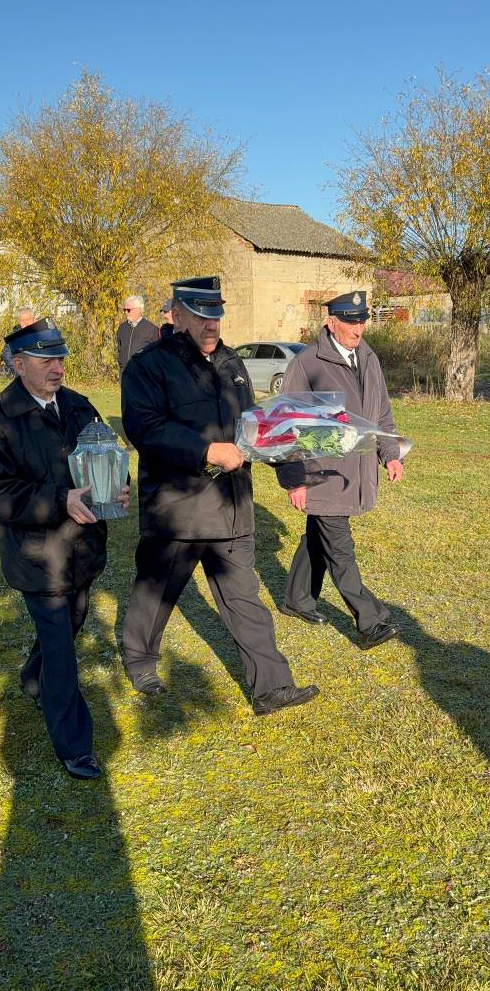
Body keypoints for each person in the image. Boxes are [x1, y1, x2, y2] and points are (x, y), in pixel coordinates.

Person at [121, 276, 319, 716]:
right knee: (156, 593)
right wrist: (206, 450)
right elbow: (144, 428)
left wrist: (293, 474)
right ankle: (139, 660)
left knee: (244, 598)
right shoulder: (148, 366)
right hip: (178, 510)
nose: (212, 325)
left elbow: (255, 428)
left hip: (231, 506)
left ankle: (272, 687)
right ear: (177, 316)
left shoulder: (232, 363)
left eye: (217, 316)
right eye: (201, 317)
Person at [0, 318, 129, 779]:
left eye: (60, 359)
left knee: (73, 621)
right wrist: (61, 500)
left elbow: (108, 457)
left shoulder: (79, 406)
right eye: (45, 361)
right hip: (38, 554)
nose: (57, 368)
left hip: (83, 548)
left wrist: (117, 486)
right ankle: (74, 745)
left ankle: (31, 677)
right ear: (19, 365)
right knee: (61, 648)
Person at [276, 291, 404, 650]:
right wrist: (295, 480)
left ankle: (297, 599)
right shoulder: (307, 363)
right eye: (350, 322)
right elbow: (288, 425)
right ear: (331, 323)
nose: (357, 329)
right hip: (322, 476)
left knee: (319, 537)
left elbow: (381, 413)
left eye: (362, 321)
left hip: (356, 473)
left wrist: (390, 454)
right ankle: (370, 622)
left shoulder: (369, 358)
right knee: (340, 548)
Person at [116, 296, 159, 373]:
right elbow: (119, 349)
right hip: (124, 373)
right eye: (124, 310)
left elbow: (157, 355)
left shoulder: (152, 329)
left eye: (128, 310)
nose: (126, 312)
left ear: (139, 310)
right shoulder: (122, 328)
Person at [1, 307, 36, 376]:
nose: (26, 323)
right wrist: (19, 371)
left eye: (28, 319)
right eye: (23, 320)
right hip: (23, 375)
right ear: (19, 321)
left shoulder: (42, 333)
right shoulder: (13, 336)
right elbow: (6, 356)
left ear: (34, 319)